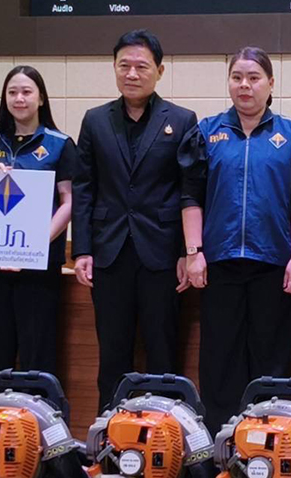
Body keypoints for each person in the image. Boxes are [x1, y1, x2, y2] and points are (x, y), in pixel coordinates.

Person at [179, 47, 291, 432]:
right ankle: (221, 438)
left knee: (271, 358)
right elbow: (191, 196)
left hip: (273, 266)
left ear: (270, 84)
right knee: (219, 358)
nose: (245, 85)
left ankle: (267, 436)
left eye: (254, 77)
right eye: (237, 77)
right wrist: (193, 252)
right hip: (219, 264)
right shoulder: (207, 133)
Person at [72, 30, 198, 410]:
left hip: (161, 253)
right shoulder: (95, 120)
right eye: (123, 65)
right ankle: (109, 430)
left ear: (159, 71)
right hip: (109, 253)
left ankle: (166, 427)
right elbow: (84, 188)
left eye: (141, 66)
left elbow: (189, 190)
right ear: (113, 68)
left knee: (163, 351)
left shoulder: (182, 120)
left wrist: (186, 252)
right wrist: (82, 250)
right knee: (112, 353)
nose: (131, 74)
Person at [0, 66, 76, 398]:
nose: (19, 98)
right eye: (12, 92)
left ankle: (36, 422)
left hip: (36, 268)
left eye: (27, 91)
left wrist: (33, 245)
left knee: (37, 355)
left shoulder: (59, 144)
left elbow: (70, 202)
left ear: (41, 98)